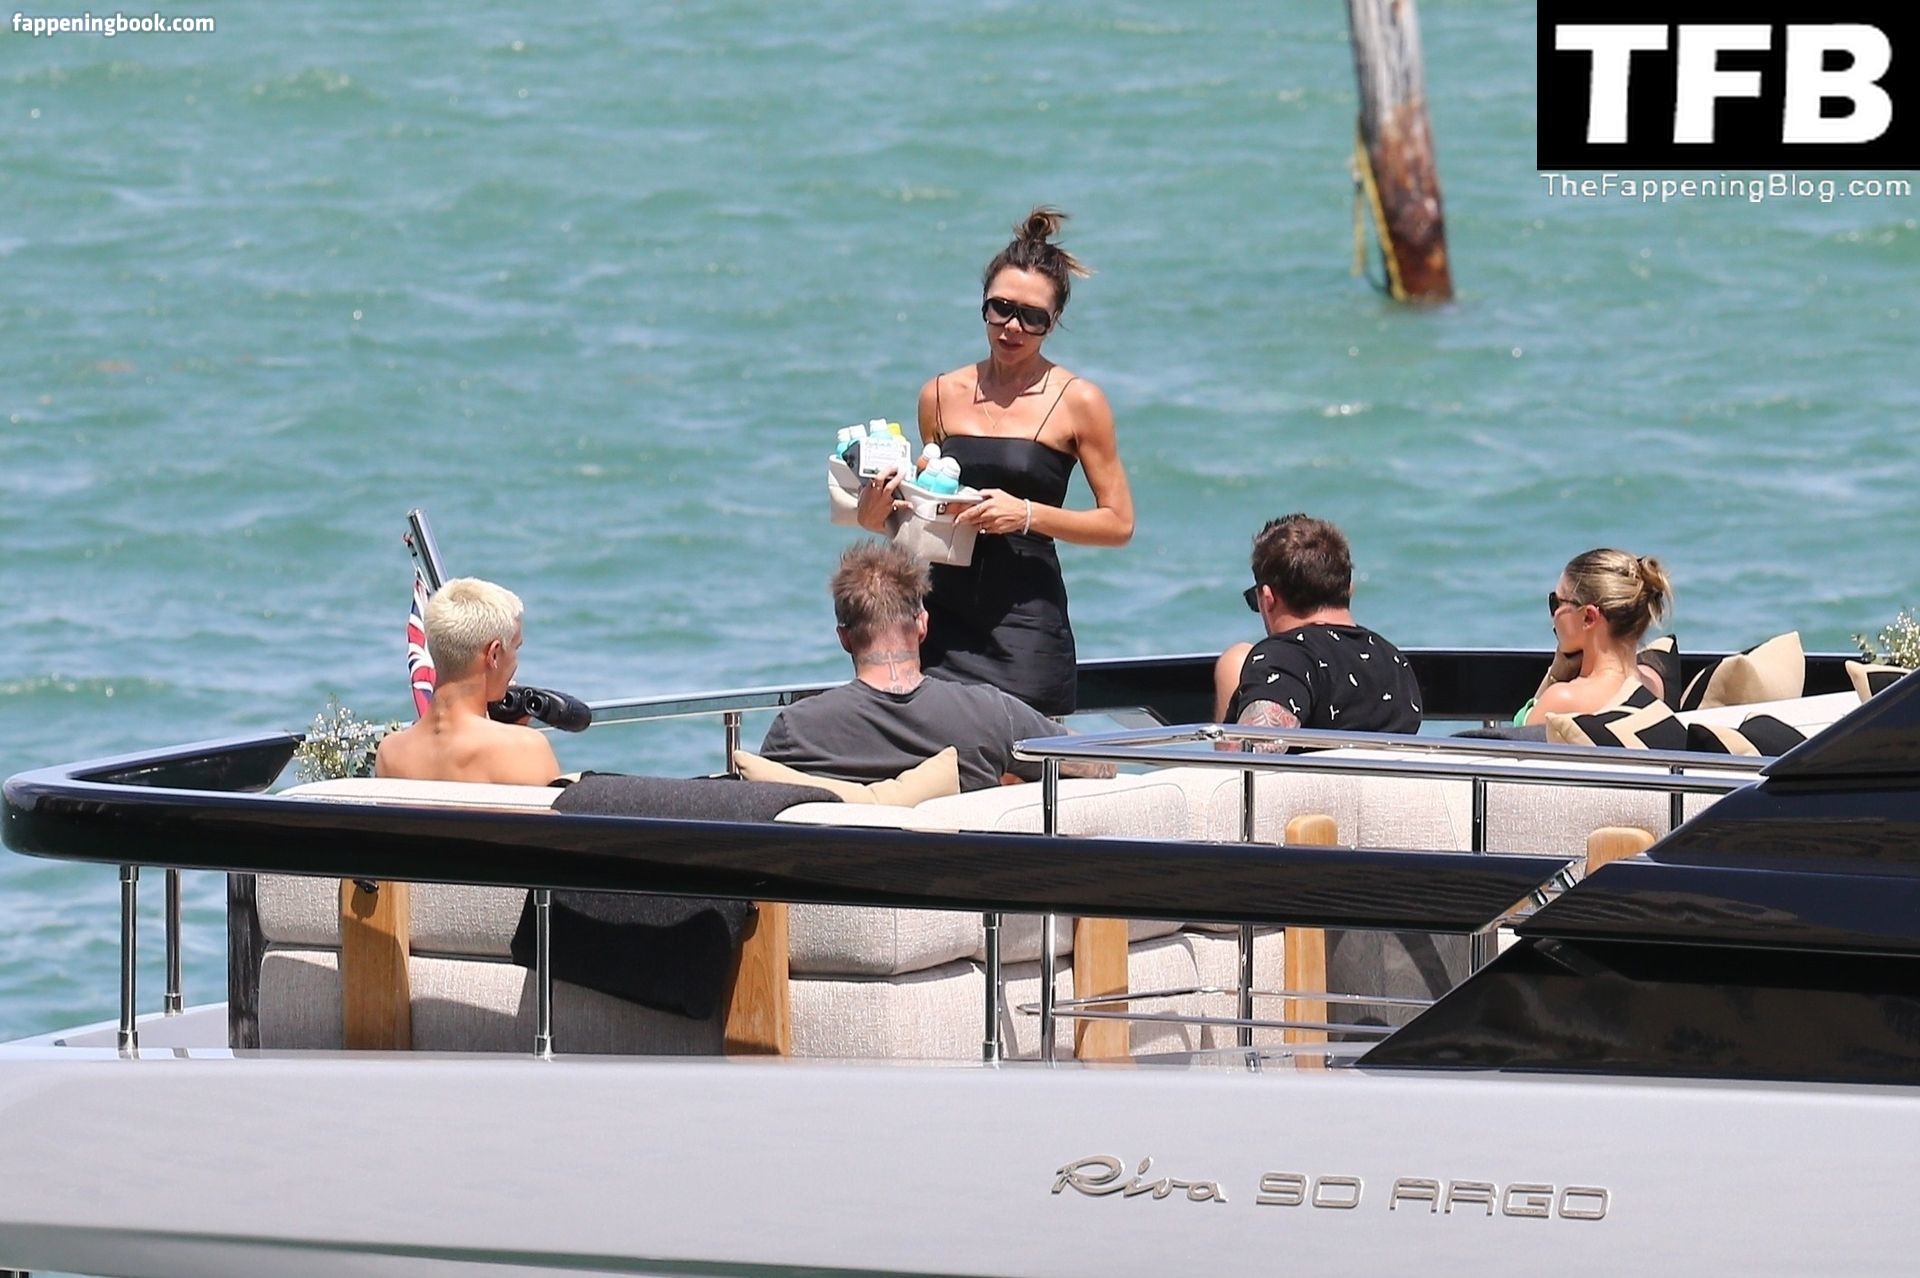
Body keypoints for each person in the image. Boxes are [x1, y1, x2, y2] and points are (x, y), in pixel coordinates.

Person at [856, 206, 1135, 717]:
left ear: (1053, 323)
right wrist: (879, 515)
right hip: (939, 620)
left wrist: (1024, 514)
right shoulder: (939, 394)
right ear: (983, 304)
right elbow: (927, 514)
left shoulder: (1079, 401)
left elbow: (1118, 524)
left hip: (1026, 625)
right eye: (1001, 308)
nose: (1012, 327)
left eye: (1032, 317)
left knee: (1026, 761)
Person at [759, 542, 1108, 791]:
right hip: (958, 872)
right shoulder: (990, 715)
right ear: (923, 624)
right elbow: (1097, 761)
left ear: (844, 638)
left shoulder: (796, 732)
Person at [1212, 514, 1422, 734]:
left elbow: (1252, 750)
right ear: (1349, 587)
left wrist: (1232, 677)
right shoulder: (1395, 663)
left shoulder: (1285, 657)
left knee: (1236, 658)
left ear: (1268, 598)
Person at [375, 577, 562, 785]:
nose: (516, 661)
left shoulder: (389, 753)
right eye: (516, 648)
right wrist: (513, 733)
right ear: (493, 654)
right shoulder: (527, 749)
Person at [1517, 549, 1674, 725]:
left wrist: (1555, 675)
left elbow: (1520, 730)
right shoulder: (1654, 684)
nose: (1553, 616)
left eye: (1556, 602)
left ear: (1589, 617)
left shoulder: (1562, 700)